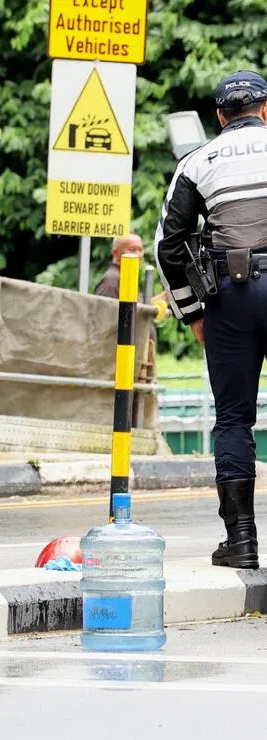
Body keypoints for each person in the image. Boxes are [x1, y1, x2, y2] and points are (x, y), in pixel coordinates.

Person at [154, 70, 267, 571]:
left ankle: (241, 541)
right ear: (266, 111)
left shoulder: (197, 162)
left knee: (234, 419)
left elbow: (168, 245)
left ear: (220, 117)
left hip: (231, 296)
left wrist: (192, 312)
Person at [94, 234, 144, 298]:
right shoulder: (111, 280)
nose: (138, 255)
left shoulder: (127, 276)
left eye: (140, 250)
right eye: (132, 250)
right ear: (115, 252)